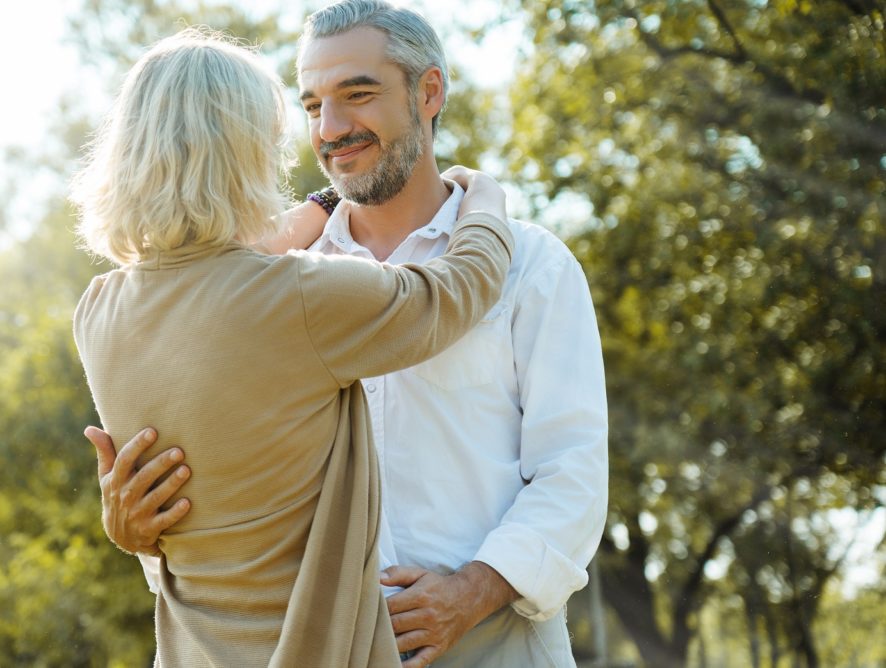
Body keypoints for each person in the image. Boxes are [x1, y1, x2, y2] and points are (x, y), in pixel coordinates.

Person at [88, 2, 609, 666]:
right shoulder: (261, 285)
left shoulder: (533, 266)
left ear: (429, 92)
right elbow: (205, 494)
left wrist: (472, 592)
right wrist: (141, 531)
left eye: (356, 95)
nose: (331, 130)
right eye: (311, 107)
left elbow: (574, 474)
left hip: (494, 648)